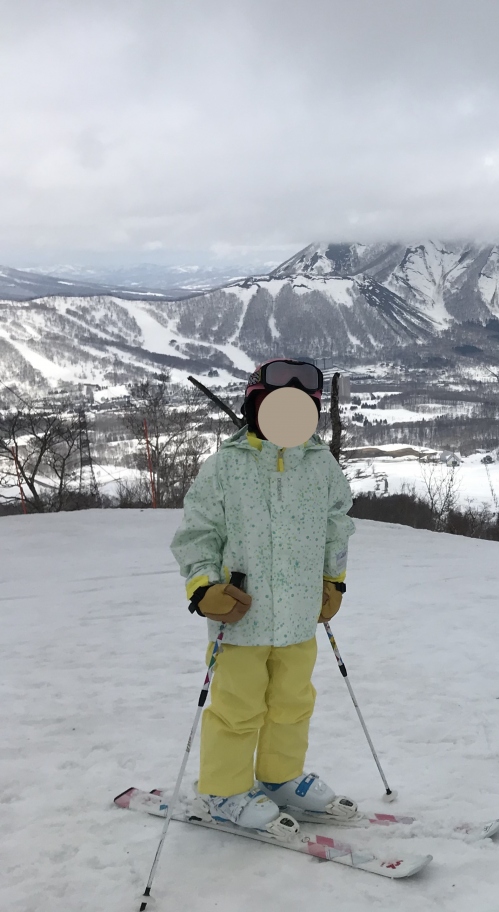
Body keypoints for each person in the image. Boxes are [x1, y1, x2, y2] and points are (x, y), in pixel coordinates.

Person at [170, 358, 356, 836]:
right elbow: (198, 534)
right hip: (241, 616)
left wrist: (332, 581)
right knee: (237, 707)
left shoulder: (321, 466)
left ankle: (279, 777)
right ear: (254, 404)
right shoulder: (226, 467)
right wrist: (203, 587)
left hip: (298, 616)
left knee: (293, 702)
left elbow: (337, 525)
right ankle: (224, 789)